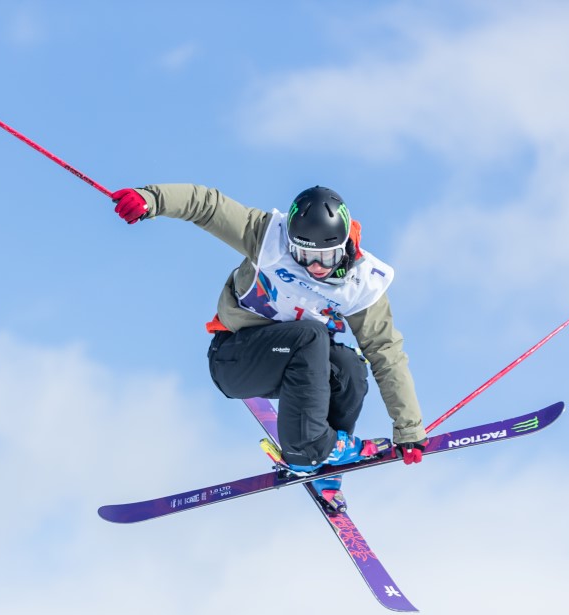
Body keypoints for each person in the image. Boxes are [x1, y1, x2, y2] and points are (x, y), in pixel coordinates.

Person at [111, 184, 427, 512]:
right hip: (235, 359)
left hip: (294, 365)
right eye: (304, 255)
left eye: (326, 257)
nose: (315, 267)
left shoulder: (361, 283)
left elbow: (385, 351)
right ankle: (308, 449)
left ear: (345, 245)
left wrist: (409, 427)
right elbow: (207, 206)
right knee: (312, 336)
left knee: (349, 368)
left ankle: (324, 460)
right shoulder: (267, 238)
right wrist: (151, 199)